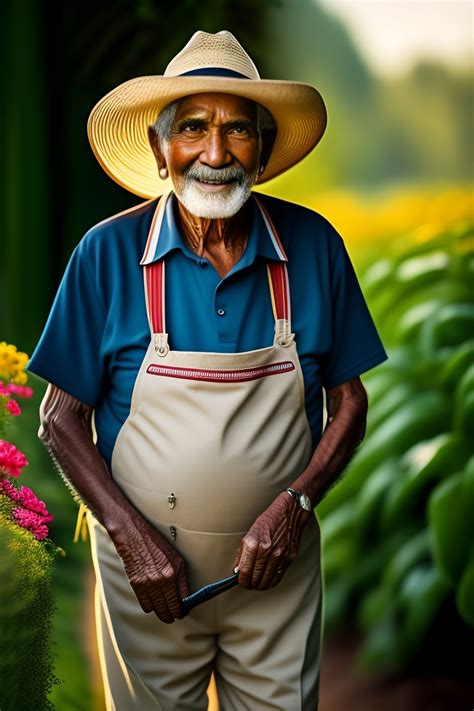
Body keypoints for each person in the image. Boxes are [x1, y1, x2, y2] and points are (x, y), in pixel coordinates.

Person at [27, 30, 389, 711]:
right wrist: (131, 538)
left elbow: (350, 403)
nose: (216, 153)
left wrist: (297, 503)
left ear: (263, 148)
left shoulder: (313, 247)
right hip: (146, 584)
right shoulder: (106, 256)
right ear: (163, 151)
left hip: (275, 572)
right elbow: (59, 418)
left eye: (238, 131)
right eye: (192, 128)